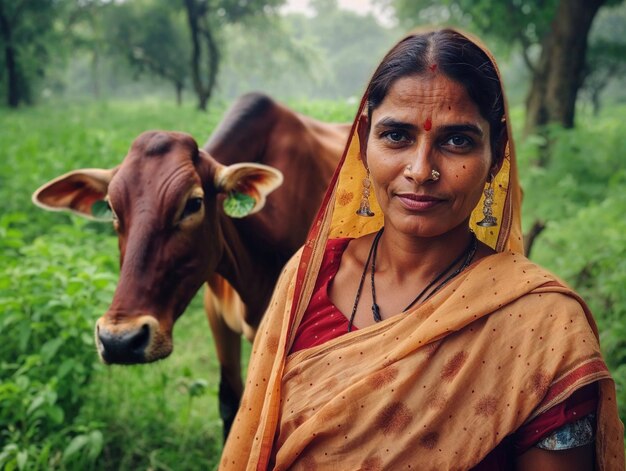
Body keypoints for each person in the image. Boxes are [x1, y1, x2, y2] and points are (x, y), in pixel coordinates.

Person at [219, 28, 624, 470]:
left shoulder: (544, 325)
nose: (421, 169)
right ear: (363, 140)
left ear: (497, 154)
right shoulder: (309, 277)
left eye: (458, 141)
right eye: (397, 136)